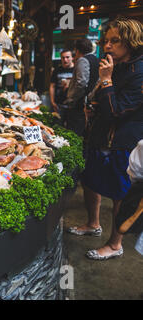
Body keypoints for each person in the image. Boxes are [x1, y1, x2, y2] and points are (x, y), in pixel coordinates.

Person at [66, 17, 143, 260]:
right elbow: (102, 101)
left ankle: (114, 244)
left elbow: (117, 110)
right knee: (89, 179)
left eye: (115, 41)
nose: (107, 46)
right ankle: (93, 223)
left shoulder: (140, 71)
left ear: (131, 42)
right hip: (100, 135)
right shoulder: (115, 65)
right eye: (105, 41)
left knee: (120, 191)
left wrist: (107, 80)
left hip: (124, 140)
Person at [64, 38, 99, 137]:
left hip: (80, 104)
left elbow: (81, 83)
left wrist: (71, 98)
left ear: (77, 50)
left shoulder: (82, 60)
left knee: (74, 132)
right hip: (91, 102)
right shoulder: (96, 59)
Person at [50, 49, 75, 126]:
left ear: (72, 58)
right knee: (57, 126)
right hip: (59, 104)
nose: (65, 60)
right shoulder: (57, 70)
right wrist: (52, 101)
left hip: (72, 105)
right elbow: (52, 86)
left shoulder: (76, 70)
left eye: (67, 57)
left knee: (71, 127)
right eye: (63, 58)